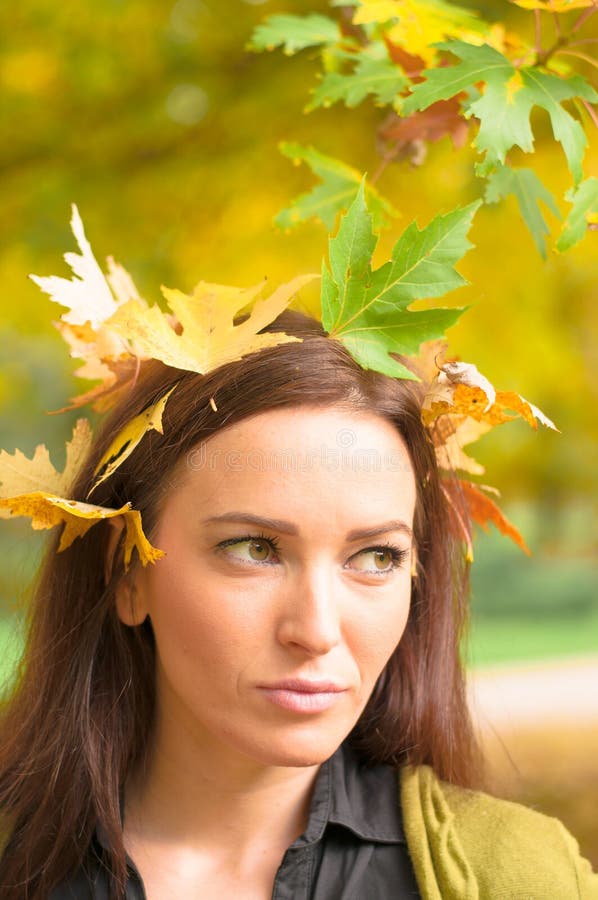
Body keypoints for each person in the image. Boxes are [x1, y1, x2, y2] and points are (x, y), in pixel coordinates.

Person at [0, 216, 596, 898]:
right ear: (126, 572)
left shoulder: (516, 877)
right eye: (254, 549)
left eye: (375, 556)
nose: (316, 630)